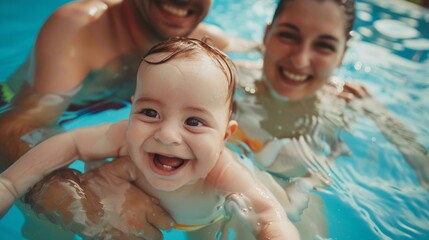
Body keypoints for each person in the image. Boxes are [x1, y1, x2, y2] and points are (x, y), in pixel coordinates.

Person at [0, 1, 258, 239]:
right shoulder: (81, 29)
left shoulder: (206, 41)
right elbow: (16, 123)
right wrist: (75, 200)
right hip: (20, 106)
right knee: (44, 216)